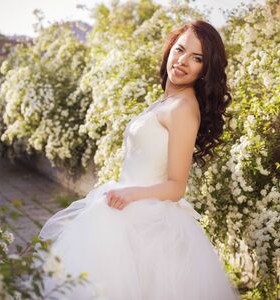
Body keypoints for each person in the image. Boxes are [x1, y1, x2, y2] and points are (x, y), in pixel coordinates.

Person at [37, 20, 241, 300]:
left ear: (206, 69)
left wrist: (131, 193)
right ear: (169, 49)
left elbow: (176, 186)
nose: (183, 61)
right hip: (127, 208)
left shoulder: (182, 107)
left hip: (148, 219)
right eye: (180, 50)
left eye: (197, 58)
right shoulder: (167, 101)